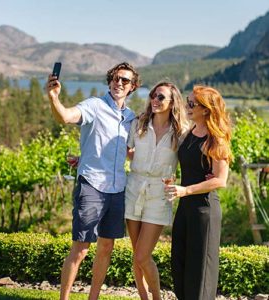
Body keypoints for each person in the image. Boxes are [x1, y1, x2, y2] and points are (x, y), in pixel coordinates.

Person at [46, 62, 141, 300]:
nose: (119, 83)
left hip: (118, 188)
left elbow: (127, 152)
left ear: (132, 87)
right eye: (116, 78)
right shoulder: (94, 106)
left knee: (106, 248)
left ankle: (93, 298)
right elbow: (66, 117)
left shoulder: (130, 118)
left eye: (125, 80)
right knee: (81, 248)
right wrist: (54, 98)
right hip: (92, 185)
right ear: (110, 81)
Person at [165, 85, 233, 300]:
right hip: (185, 207)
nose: (187, 106)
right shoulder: (189, 133)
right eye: (188, 101)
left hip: (205, 210)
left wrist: (186, 190)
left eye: (192, 104)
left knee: (200, 270)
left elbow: (220, 180)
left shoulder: (216, 139)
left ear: (206, 109)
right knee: (180, 263)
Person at [125, 81, 188, 300]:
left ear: (173, 103)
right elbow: (121, 149)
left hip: (159, 195)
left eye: (161, 97)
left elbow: (192, 158)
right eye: (153, 95)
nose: (155, 100)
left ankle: (157, 298)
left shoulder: (181, 132)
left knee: (143, 256)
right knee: (137, 255)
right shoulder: (139, 123)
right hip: (134, 189)